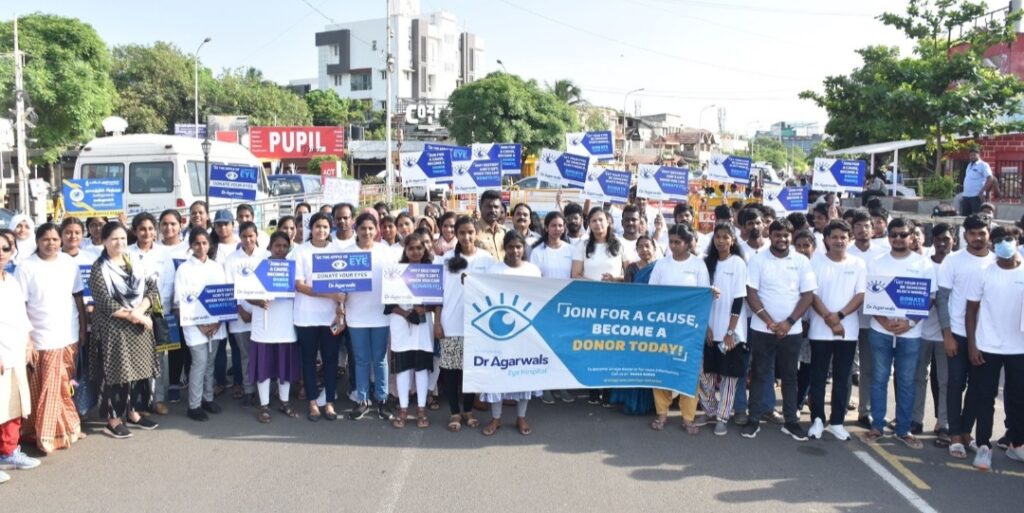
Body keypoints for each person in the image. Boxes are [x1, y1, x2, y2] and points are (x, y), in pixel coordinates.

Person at [862, 218, 936, 449]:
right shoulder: (876, 262)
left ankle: (903, 429)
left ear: (912, 236)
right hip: (880, 330)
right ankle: (877, 426)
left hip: (910, 334)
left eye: (902, 234)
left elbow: (930, 298)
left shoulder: (923, 264)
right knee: (879, 379)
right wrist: (884, 321)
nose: (897, 238)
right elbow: (870, 296)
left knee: (905, 381)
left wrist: (910, 323)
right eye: (893, 234)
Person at [742, 219, 817, 442]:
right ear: (770, 234)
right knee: (759, 374)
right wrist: (768, 320)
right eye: (777, 235)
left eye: (786, 235)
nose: (782, 239)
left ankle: (791, 422)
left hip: (791, 331)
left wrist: (789, 322)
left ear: (791, 236)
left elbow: (808, 295)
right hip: (762, 328)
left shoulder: (802, 261)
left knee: (789, 377)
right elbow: (751, 293)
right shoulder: (758, 260)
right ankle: (753, 419)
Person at [14, 223, 86, 453]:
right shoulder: (26, 267)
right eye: (46, 239)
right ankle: (46, 435)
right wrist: (27, 338)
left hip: (69, 332)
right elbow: (20, 306)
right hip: (41, 335)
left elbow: (77, 298)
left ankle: (68, 426)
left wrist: (83, 328)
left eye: (55, 239)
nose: (51, 243)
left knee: (63, 385)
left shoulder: (68, 263)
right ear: (37, 241)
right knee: (46, 388)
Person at [88, 221, 162, 438]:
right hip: (114, 331)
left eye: (122, 238)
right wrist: (135, 315)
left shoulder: (135, 262)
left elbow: (152, 289)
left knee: (136, 374)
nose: (119, 242)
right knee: (115, 375)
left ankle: (133, 413)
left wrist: (139, 311)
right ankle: (112, 420)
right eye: (113, 239)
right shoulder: (99, 267)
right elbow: (104, 301)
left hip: (137, 329)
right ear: (104, 241)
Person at [964, 225, 1024, 470]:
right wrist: (972, 344)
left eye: (1009, 239)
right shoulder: (983, 272)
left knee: (1019, 398)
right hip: (987, 345)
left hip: (1019, 348)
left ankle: (1017, 444)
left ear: (1018, 241)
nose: (1004, 244)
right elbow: (971, 310)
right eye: (998, 240)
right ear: (992, 244)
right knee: (984, 397)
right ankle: (983, 446)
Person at [938, 214, 996, 459]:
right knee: (955, 384)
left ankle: (965, 431)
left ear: (988, 233)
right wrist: (948, 335)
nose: (977, 237)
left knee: (978, 388)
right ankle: (954, 435)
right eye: (972, 233)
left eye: (981, 233)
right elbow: (942, 299)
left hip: (986, 338)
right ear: (965, 235)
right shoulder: (953, 261)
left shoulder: (996, 262)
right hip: (958, 334)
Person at [648, 225, 711, 435]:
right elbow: (652, 295)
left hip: (690, 330)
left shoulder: (698, 266)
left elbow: (704, 297)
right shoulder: (661, 265)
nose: (674, 246)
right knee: (661, 371)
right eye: (671, 241)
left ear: (688, 242)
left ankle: (687, 417)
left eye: (678, 242)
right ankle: (662, 413)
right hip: (664, 329)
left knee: (689, 372)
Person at [807, 220, 865, 441]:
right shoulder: (816, 261)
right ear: (826, 240)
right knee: (819, 377)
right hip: (819, 330)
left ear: (849, 240)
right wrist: (829, 319)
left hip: (847, 331)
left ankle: (837, 421)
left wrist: (839, 317)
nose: (839, 241)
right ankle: (817, 420)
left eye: (843, 237)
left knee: (843, 377)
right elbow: (811, 294)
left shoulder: (859, 264)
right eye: (835, 237)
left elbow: (860, 295)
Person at [436, 216, 494, 432]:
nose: (467, 236)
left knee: (471, 371)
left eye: (470, 232)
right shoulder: (445, 259)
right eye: (462, 233)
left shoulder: (487, 260)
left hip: (477, 326)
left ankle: (468, 409)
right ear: (456, 235)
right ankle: (454, 412)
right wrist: (437, 323)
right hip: (450, 323)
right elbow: (439, 295)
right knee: (451, 372)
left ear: (475, 233)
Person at [481, 231, 542, 436]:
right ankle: (496, 418)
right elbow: (483, 295)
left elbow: (538, 298)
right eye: (510, 246)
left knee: (524, 373)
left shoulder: (533, 270)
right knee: (497, 373)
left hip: (525, 331)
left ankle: (521, 417)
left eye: (518, 246)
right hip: (499, 331)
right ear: (504, 248)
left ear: (524, 247)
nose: (515, 251)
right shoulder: (494, 269)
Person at [291, 213, 343, 422]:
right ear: (310, 228)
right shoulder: (301, 252)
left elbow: (343, 284)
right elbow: (300, 285)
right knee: (309, 360)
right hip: (306, 317)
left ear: (330, 229)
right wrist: (330, 294)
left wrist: (340, 305)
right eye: (317, 226)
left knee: (331, 360)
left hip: (329, 317)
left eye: (325, 227)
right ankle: (312, 402)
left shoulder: (336, 252)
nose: (321, 230)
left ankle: (328, 402)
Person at [345, 213, 396, 421]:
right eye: (362, 228)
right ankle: (362, 399)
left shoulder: (386, 252)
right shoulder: (347, 254)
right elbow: (337, 283)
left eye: (370, 228)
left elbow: (397, 278)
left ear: (376, 230)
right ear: (356, 230)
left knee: (380, 359)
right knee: (361, 359)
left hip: (380, 314)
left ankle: (382, 399)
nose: (366, 232)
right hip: (356, 315)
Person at [246, 231, 302, 423]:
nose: (281, 249)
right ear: (269, 246)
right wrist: (258, 301)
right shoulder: (259, 266)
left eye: (285, 246)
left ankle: (284, 402)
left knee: (283, 368)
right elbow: (245, 293)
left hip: (286, 325)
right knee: (264, 368)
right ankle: (264, 405)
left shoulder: (293, 268)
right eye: (277, 245)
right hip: (264, 326)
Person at [697, 223, 746, 436]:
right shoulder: (707, 264)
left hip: (731, 333)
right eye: (718, 236)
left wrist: (730, 332)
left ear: (732, 241)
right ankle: (710, 409)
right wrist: (706, 326)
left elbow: (739, 299)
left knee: (729, 378)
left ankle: (722, 417)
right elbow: (701, 297)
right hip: (709, 330)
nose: (721, 241)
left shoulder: (738, 264)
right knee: (704, 374)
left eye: (726, 237)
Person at [572, 208, 624, 406]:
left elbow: (628, 273)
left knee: (611, 346)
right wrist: (595, 284)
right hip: (590, 303)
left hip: (615, 304)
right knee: (592, 346)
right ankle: (593, 389)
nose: (598, 224)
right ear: (589, 223)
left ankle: (609, 391)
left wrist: (615, 279)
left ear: (608, 222)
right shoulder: (582, 245)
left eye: (601, 220)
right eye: (593, 220)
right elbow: (575, 274)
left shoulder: (618, 244)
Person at [0, 232, 41, 481]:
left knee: (13, 403)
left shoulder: (12, 281)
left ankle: (8, 452)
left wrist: (28, 342)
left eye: (6, 247)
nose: (1, 251)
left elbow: (21, 317)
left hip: (15, 351)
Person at [174, 230, 226, 422]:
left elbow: (224, 297)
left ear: (209, 245)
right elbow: (180, 303)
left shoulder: (216, 267)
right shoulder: (184, 269)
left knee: (210, 363)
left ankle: (208, 398)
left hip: (215, 324)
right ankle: (194, 405)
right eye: (197, 243)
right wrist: (200, 326)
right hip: (194, 326)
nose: (201, 247)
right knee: (199, 363)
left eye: (205, 243)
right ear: (191, 245)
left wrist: (217, 322)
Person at [126, 213, 175, 416]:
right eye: (142, 229)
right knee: (137, 359)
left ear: (155, 231)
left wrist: (156, 308)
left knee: (160, 359)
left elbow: (169, 284)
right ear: (135, 231)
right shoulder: (127, 253)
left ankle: (158, 399)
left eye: (150, 229)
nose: (147, 233)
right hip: (135, 314)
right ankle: (139, 402)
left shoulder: (164, 254)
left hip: (160, 313)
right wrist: (138, 309)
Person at [386, 232, 435, 429]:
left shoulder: (431, 271)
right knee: (403, 368)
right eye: (411, 248)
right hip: (400, 323)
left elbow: (438, 302)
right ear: (405, 250)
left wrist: (427, 308)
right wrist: (405, 313)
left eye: (419, 248)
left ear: (425, 250)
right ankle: (404, 409)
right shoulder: (394, 271)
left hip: (423, 326)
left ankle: (421, 409)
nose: (415, 252)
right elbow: (388, 304)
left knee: (422, 367)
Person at [529, 211, 577, 405]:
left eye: (560, 226)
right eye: (553, 225)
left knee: (563, 348)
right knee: (545, 347)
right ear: (546, 228)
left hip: (566, 307)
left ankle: (561, 385)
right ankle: (546, 386)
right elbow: (534, 278)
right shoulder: (537, 251)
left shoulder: (571, 250)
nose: (557, 229)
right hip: (545, 306)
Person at [846, 210, 888, 427]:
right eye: (858, 226)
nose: (862, 230)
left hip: (874, 320)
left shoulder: (883, 254)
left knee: (869, 368)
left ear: (874, 229)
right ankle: (841, 404)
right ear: (852, 229)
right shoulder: (846, 252)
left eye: (867, 226)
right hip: (848, 318)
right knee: (844, 367)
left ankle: (865, 410)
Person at [914, 223, 954, 441]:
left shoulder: (956, 265)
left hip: (947, 335)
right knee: (918, 378)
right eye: (938, 239)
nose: (941, 243)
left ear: (953, 241)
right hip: (921, 332)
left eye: (946, 239)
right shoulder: (922, 265)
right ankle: (916, 419)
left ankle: (944, 423)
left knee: (945, 381)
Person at [223, 222, 269, 405]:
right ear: (239, 237)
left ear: (257, 236)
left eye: (251, 236)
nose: (248, 240)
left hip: (264, 313)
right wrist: (240, 309)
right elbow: (228, 288)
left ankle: (264, 392)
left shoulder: (266, 257)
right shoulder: (232, 259)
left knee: (263, 354)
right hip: (240, 316)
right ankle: (249, 390)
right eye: (244, 236)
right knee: (246, 355)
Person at [157, 210, 191, 403]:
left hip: (185, 307)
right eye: (165, 224)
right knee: (166, 346)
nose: (169, 228)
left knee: (183, 346)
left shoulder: (188, 249)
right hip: (160, 308)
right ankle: (167, 385)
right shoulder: (154, 249)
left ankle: (178, 381)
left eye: (173, 224)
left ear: (180, 225)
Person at [961, 147, 995, 216]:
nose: (972, 157)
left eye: (974, 155)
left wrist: (982, 191)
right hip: (966, 196)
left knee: (977, 218)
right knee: (965, 218)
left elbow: (990, 178)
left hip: (976, 196)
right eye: (970, 155)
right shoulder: (969, 165)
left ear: (978, 155)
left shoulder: (983, 165)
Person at [477, 190, 507, 260]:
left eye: (496, 207)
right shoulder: (472, 231)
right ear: (480, 207)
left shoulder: (504, 231)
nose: (493, 210)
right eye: (489, 206)